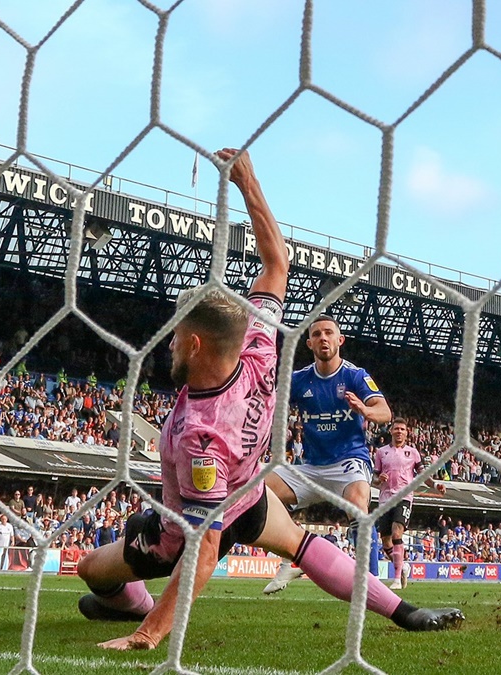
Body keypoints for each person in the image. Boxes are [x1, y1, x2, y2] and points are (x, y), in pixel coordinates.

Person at [75, 149, 462, 651]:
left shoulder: (201, 434)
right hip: (251, 496)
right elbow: (277, 261)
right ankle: (405, 613)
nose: (168, 343)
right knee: (301, 543)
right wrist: (248, 182)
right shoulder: (258, 347)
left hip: (187, 525)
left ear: (194, 344)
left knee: (92, 568)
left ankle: (136, 606)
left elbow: (204, 547)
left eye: (175, 336)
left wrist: (149, 635)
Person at [262, 313, 392, 594]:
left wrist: (366, 410)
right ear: (309, 343)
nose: (323, 338)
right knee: (255, 491)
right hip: (310, 467)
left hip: (348, 462)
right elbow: (268, 402)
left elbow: (385, 412)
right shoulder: (298, 379)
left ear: (340, 340)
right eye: (317, 334)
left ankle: (370, 585)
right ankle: (292, 557)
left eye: (329, 333)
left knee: (358, 504)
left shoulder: (355, 376)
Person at [372, 417, 445, 590]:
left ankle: (396, 579)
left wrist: (435, 485)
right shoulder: (381, 452)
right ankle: (403, 567)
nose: (399, 432)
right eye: (396, 429)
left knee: (397, 534)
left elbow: (422, 475)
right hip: (385, 498)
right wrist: (378, 479)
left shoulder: (412, 453)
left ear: (407, 432)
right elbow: (374, 478)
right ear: (391, 431)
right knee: (386, 542)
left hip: (404, 497)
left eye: (402, 429)